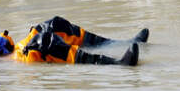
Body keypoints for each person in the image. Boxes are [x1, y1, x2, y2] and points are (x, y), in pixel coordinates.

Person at [0, 12, 148, 66]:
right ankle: (115, 64)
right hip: (10, 67)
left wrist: (1, 41)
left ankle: (118, 43)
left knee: (54, 25)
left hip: (10, 55)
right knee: (43, 42)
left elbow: (0, 41)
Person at [13, 16, 147, 66]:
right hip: (17, 56)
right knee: (44, 42)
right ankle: (118, 62)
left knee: (56, 24)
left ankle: (124, 43)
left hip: (18, 44)